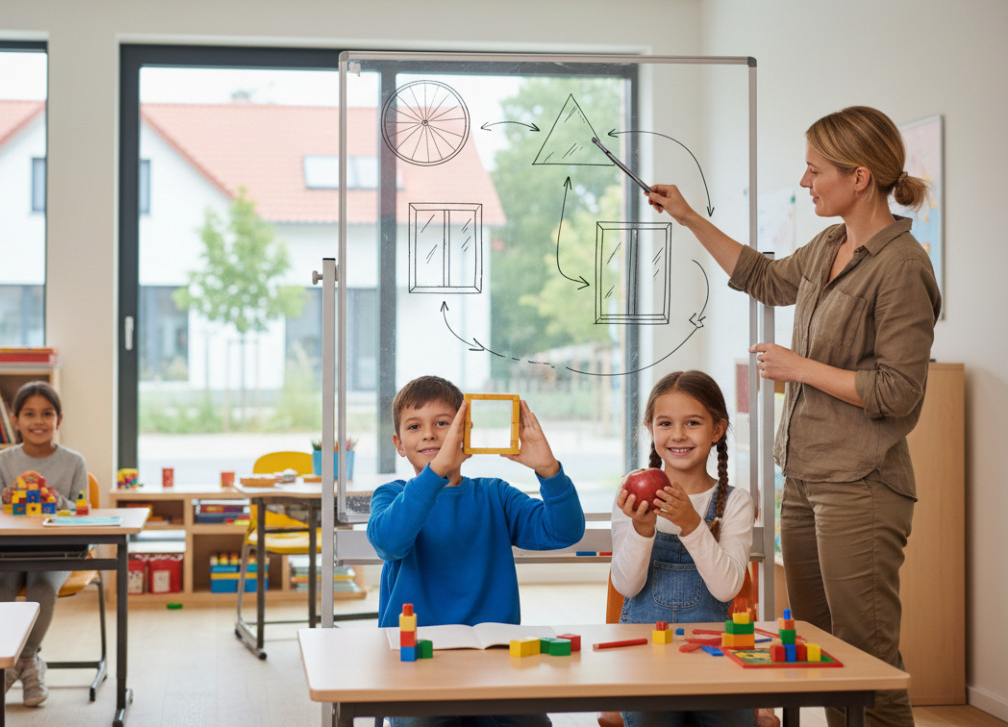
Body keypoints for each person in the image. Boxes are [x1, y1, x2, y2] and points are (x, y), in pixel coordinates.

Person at [644, 105, 940, 727]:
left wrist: (798, 366)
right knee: (820, 648)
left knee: (866, 658)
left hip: (861, 486)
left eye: (814, 170)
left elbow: (898, 391)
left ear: (859, 177)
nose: (805, 183)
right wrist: (688, 216)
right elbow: (763, 276)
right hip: (804, 479)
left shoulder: (902, 265)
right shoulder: (831, 244)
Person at [366, 375, 585, 727]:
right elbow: (389, 541)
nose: (430, 435)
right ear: (398, 443)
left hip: (495, 660)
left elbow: (564, 531)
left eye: (443, 424)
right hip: (417, 662)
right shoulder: (391, 496)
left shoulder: (494, 494)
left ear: (465, 431)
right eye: (414, 426)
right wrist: (436, 472)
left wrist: (549, 469)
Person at [612, 370, 754, 727]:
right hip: (646, 655)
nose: (677, 435)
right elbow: (627, 586)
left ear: (717, 430)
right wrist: (642, 530)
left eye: (692, 423)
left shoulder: (735, 503)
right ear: (650, 428)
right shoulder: (630, 492)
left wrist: (692, 524)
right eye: (665, 423)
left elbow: (726, 588)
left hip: (718, 655)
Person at [0, 380, 89, 707]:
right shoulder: (1, 460)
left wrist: (60, 501)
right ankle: (18, 664)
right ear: (15, 420)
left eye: (47, 414)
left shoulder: (74, 462)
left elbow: (83, 511)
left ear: (59, 420)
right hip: (6, 550)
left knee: (42, 587)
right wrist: (6, 499)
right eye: (29, 414)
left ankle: (24, 661)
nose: (38, 421)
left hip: (55, 551)